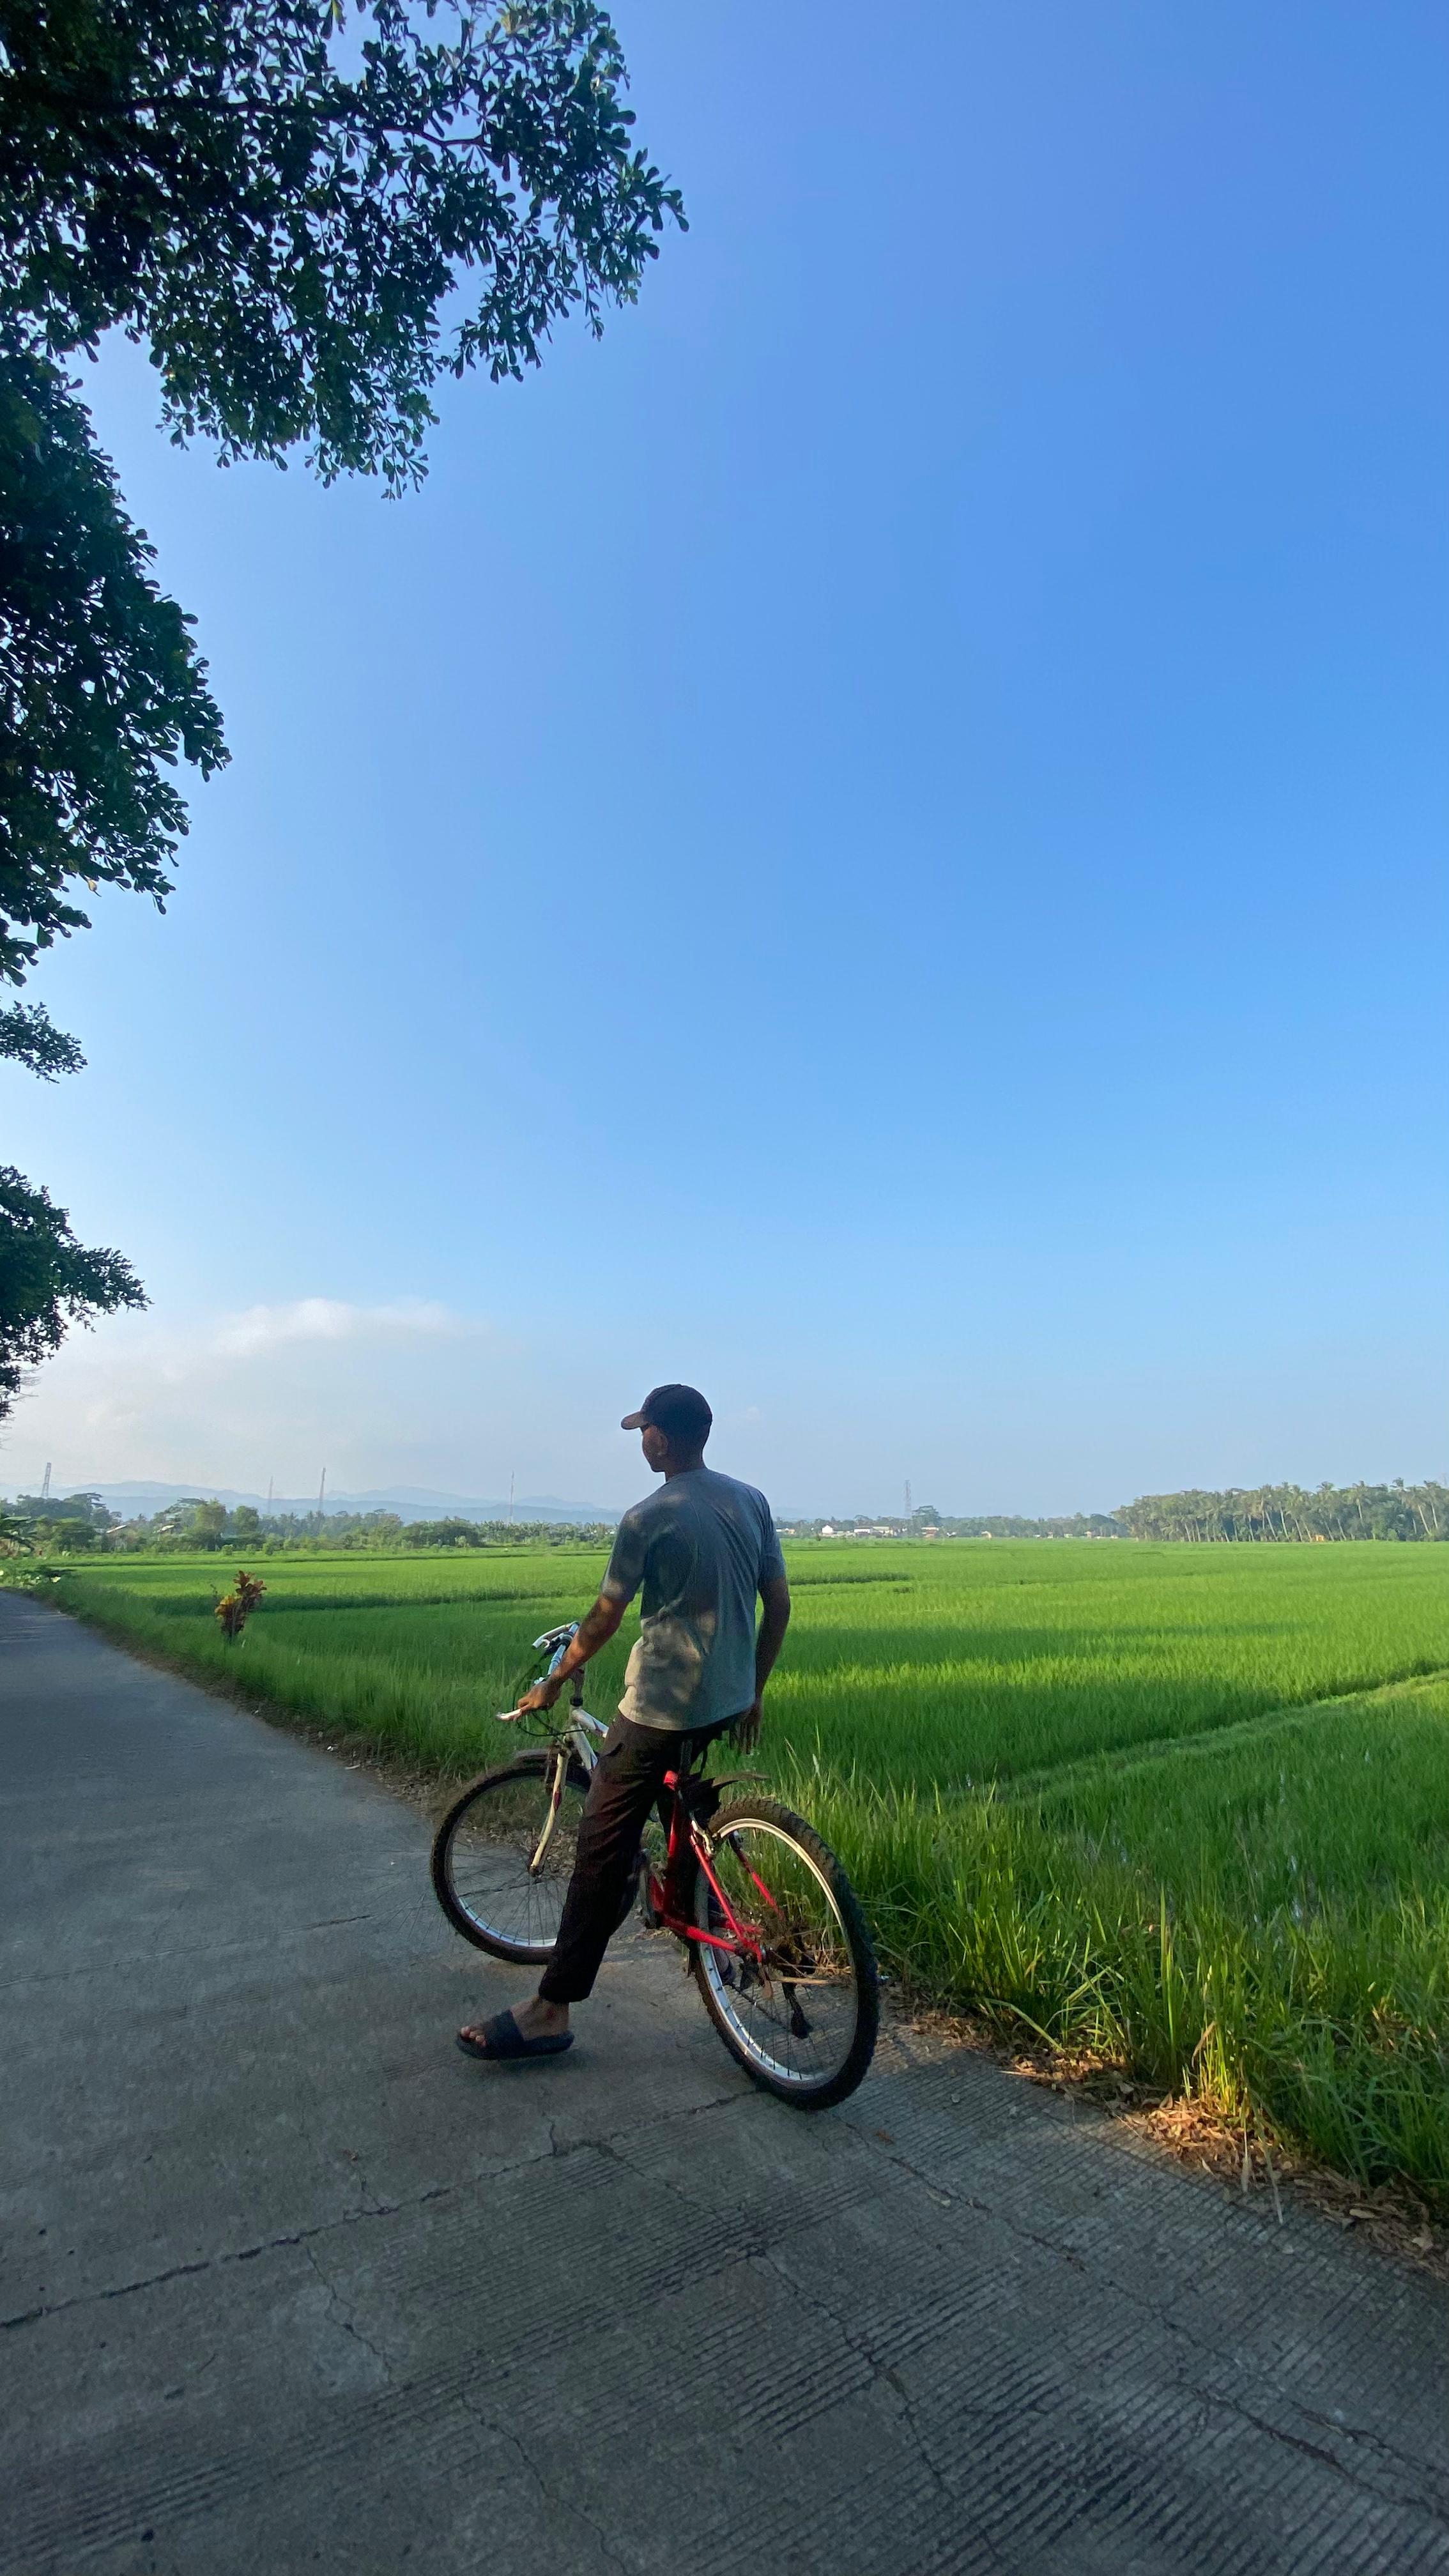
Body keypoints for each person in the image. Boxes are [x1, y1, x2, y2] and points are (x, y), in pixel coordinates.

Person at [457, 1384, 792, 2062]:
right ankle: (701, 1908)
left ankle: (551, 2009)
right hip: (726, 1697)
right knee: (678, 1805)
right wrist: (753, 1691)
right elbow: (778, 1605)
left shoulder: (649, 1515)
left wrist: (553, 1681)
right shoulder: (750, 1501)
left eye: (644, 1431)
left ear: (662, 1439)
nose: (641, 1441)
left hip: (660, 1708)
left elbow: (605, 1618)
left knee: (597, 1854)